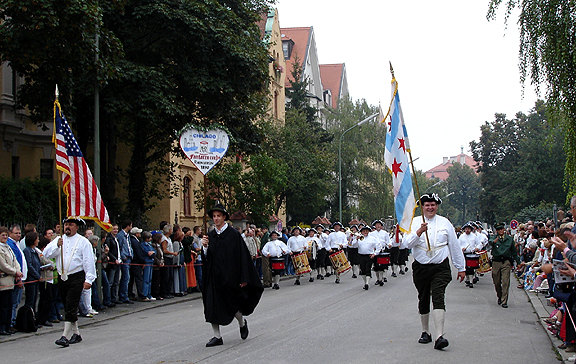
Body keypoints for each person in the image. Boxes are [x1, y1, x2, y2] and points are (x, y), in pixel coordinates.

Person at [402, 193, 465, 350]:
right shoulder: (414, 222)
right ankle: (425, 332)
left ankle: (439, 336)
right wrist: (418, 233)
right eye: (427, 205)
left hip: (440, 266)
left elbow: (454, 246)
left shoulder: (445, 223)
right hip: (421, 267)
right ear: (422, 207)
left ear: (437, 206)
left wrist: (461, 267)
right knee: (423, 298)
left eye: (433, 204)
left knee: (438, 296)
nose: (430, 207)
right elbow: (406, 244)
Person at [201, 203, 263, 347]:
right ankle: (217, 336)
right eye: (214, 216)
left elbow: (243, 257)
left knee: (233, 306)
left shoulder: (233, 235)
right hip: (214, 278)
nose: (216, 219)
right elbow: (207, 258)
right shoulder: (210, 236)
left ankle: (242, 323)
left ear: (224, 217)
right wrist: (204, 247)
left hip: (231, 278)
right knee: (212, 306)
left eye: (218, 216)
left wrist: (244, 278)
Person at [43, 217, 97, 347]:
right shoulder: (59, 240)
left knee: (71, 305)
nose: (68, 227)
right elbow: (46, 254)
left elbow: (88, 261)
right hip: (62, 277)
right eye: (66, 224)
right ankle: (76, 333)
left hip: (76, 276)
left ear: (76, 227)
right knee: (67, 305)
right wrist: (56, 245)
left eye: (71, 225)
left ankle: (64, 336)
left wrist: (89, 279)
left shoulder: (83, 242)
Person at [490, 222, 520, 308]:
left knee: (505, 282)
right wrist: (493, 242)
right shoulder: (494, 238)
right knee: (496, 281)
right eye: (498, 229)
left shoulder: (509, 239)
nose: (500, 231)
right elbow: (490, 242)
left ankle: (504, 300)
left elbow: (514, 252)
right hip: (496, 261)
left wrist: (518, 262)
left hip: (506, 261)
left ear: (504, 229)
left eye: (501, 229)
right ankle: (499, 296)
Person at [0, 226, 23, 335]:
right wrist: (15, 272)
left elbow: (15, 261)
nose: (5, 237)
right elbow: (3, 265)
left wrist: (18, 270)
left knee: (10, 305)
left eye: (5, 235)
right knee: (4, 306)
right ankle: (2, 327)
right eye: (2, 235)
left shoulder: (8, 247)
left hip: (11, 281)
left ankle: (8, 326)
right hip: (4, 281)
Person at [23, 232, 41, 321]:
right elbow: (29, 265)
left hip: (35, 279)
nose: (38, 241)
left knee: (34, 300)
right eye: (37, 239)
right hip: (31, 279)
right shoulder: (27, 251)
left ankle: (33, 318)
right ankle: (28, 319)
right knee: (30, 300)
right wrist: (37, 276)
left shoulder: (34, 250)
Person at [459, 221, 480, 288]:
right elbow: (458, 245)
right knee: (466, 268)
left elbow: (479, 244)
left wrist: (477, 248)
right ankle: (467, 279)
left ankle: (471, 281)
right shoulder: (461, 237)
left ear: (471, 229)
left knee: (471, 268)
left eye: (468, 229)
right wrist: (462, 248)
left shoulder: (474, 236)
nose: (467, 230)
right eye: (466, 229)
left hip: (472, 254)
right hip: (464, 254)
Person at [117, 220, 134, 304]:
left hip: (129, 257)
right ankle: (123, 295)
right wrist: (123, 256)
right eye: (130, 226)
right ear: (127, 226)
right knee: (125, 277)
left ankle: (124, 294)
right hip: (125, 258)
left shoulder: (127, 236)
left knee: (127, 277)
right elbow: (119, 246)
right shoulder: (121, 235)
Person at [357, 226, 378, 290]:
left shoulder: (372, 238)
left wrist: (375, 253)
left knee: (368, 268)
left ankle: (367, 284)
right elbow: (352, 245)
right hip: (361, 255)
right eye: (364, 231)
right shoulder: (358, 238)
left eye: (366, 231)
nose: (365, 232)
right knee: (363, 270)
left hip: (369, 256)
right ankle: (365, 282)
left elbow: (378, 246)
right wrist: (355, 239)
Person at [370, 220, 391, 286]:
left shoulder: (385, 233)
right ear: (375, 226)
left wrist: (389, 245)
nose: (378, 226)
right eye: (377, 225)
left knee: (382, 266)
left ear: (381, 226)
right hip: (375, 251)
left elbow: (388, 241)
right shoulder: (372, 234)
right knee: (376, 266)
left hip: (382, 251)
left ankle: (381, 278)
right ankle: (378, 279)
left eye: (379, 224)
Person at [104, 224, 121, 304]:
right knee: (110, 282)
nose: (115, 230)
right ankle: (108, 299)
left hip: (118, 262)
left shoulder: (116, 238)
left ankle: (114, 298)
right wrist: (114, 259)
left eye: (117, 229)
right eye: (114, 229)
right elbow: (109, 251)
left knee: (116, 282)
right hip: (112, 263)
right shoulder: (109, 239)